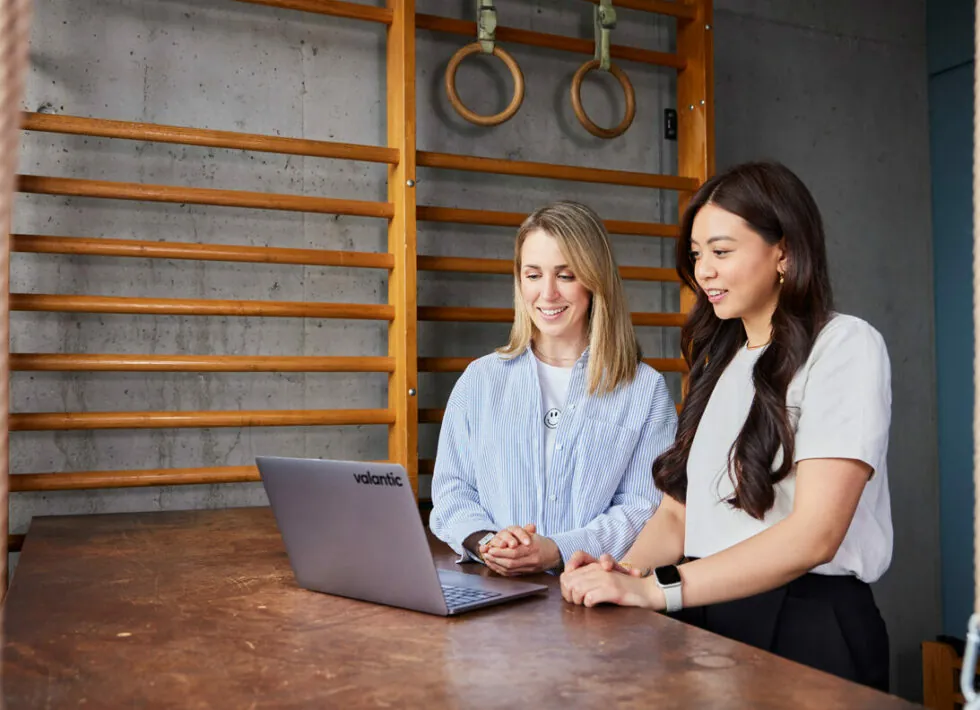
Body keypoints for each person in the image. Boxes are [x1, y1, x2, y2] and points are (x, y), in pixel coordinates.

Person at [559, 162, 893, 692]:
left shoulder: (845, 346)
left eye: (721, 251)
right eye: (696, 256)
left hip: (804, 622)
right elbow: (678, 513)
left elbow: (815, 536)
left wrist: (659, 589)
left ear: (782, 251)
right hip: (704, 608)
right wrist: (619, 575)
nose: (704, 272)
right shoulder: (721, 359)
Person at [429, 200, 678, 576]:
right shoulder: (479, 380)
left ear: (596, 280)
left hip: (593, 594)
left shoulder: (645, 389)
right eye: (533, 275)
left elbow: (643, 507)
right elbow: (452, 491)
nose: (547, 294)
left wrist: (556, 550)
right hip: (495, 596)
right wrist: (489, 541)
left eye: (566, 275)